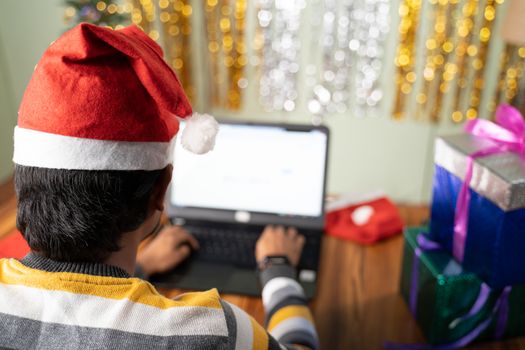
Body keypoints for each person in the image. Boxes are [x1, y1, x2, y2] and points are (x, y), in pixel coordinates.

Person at [0, 23, 319, 349]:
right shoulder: (214, 332)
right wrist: (277, 268)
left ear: (23, 180)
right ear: (159, 192)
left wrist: (142, 267)